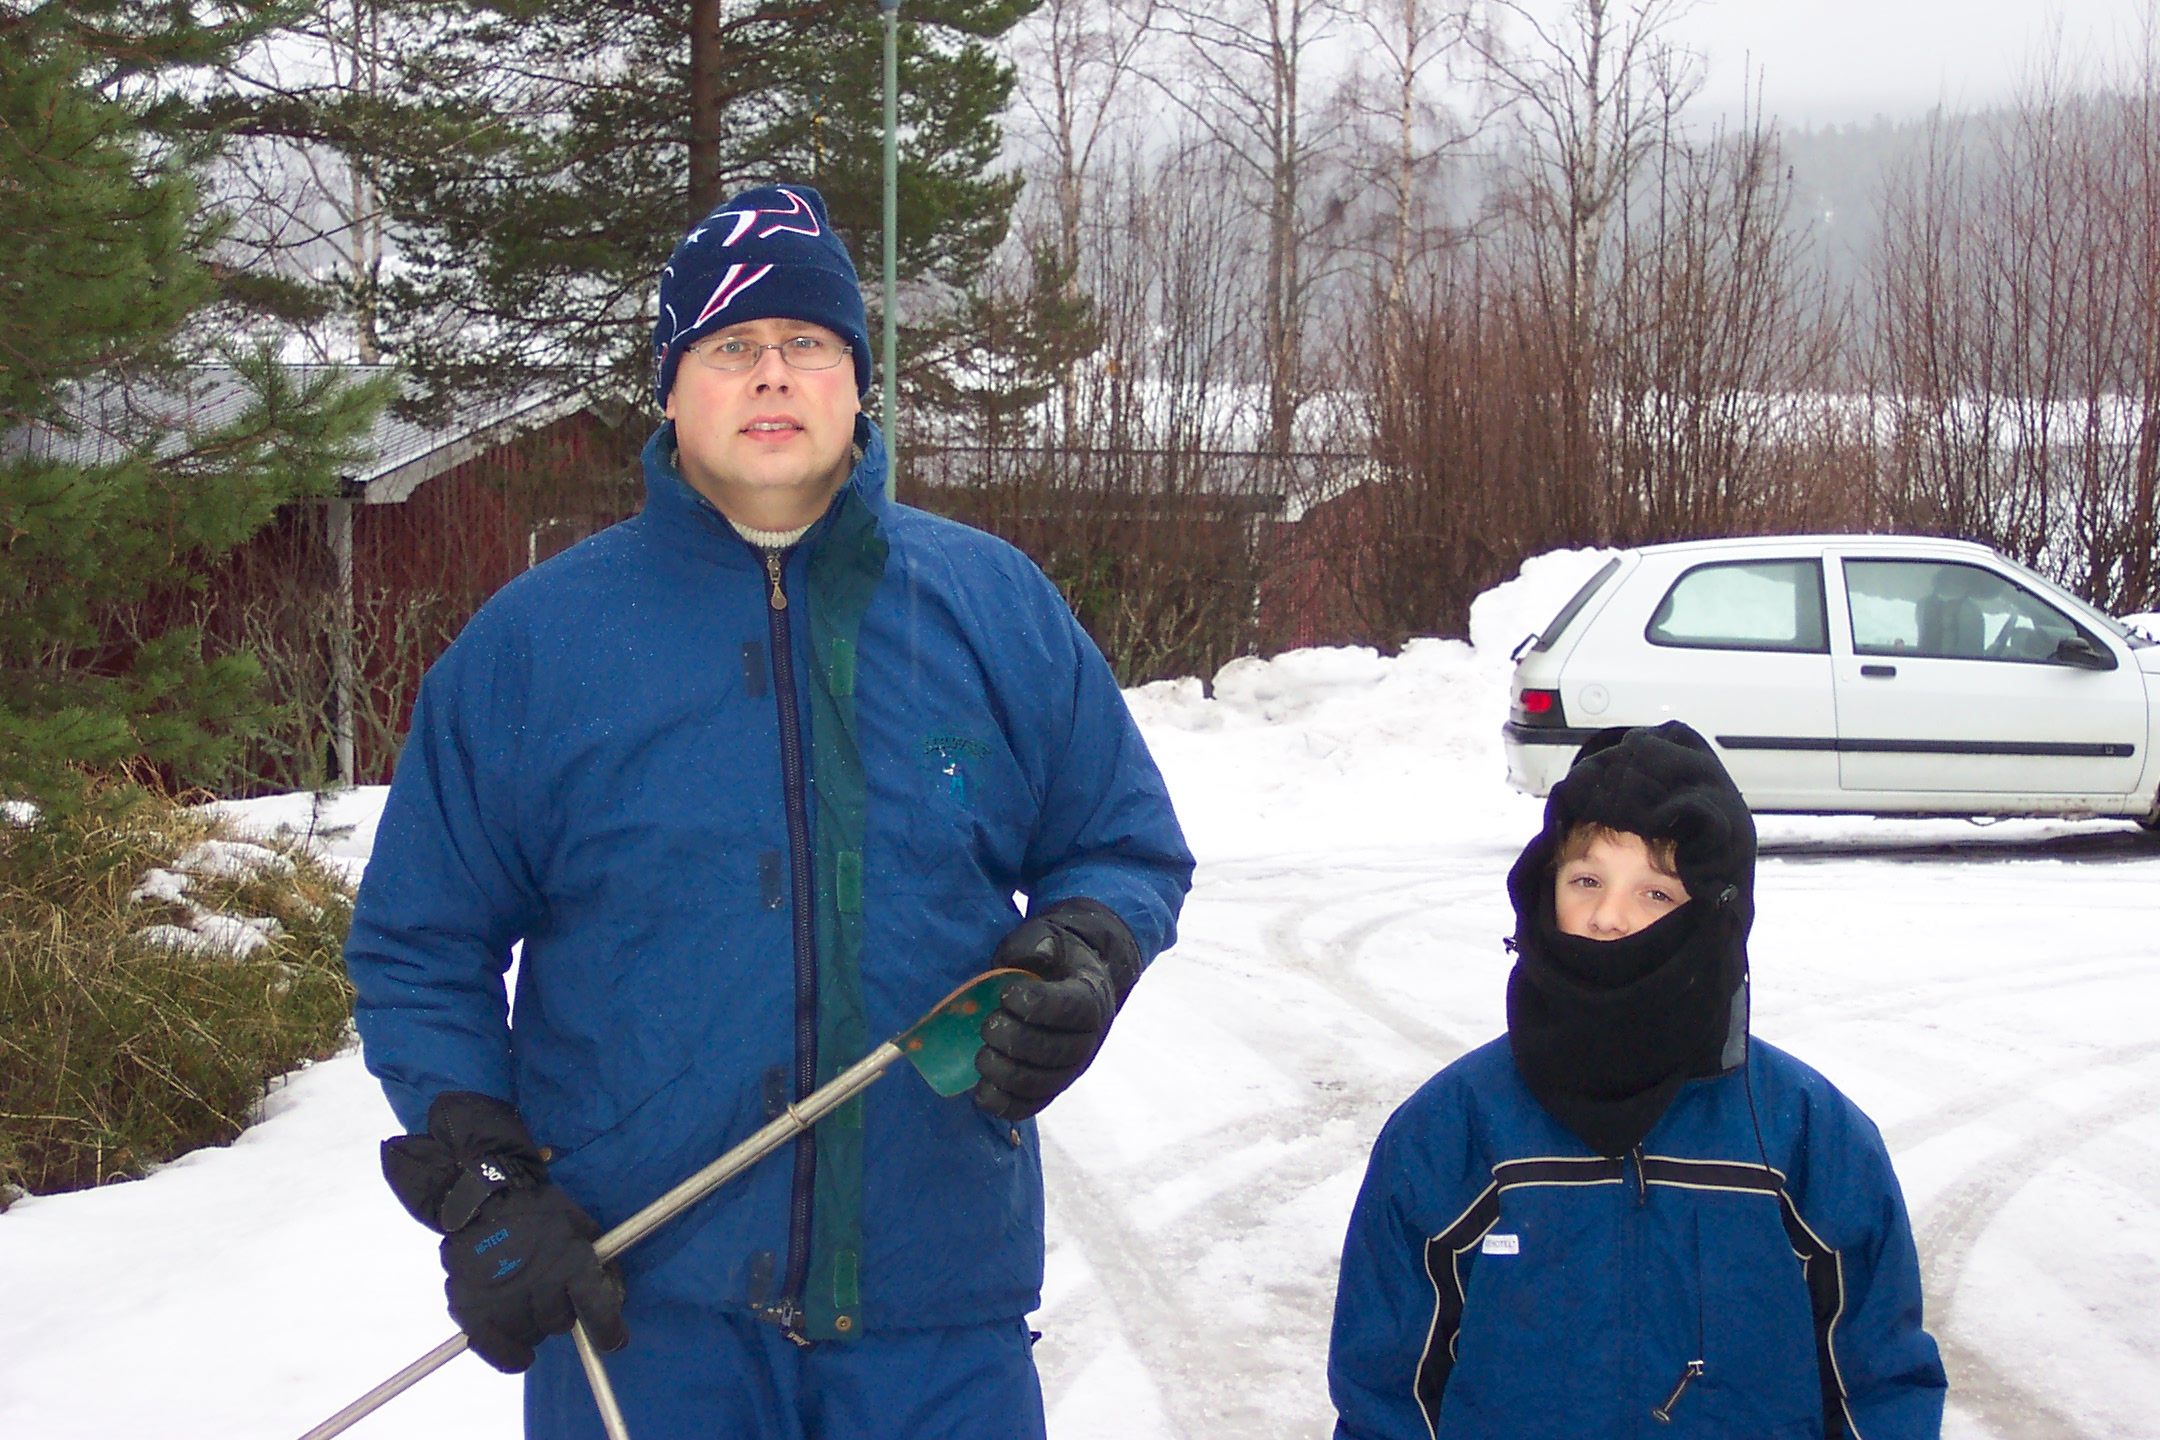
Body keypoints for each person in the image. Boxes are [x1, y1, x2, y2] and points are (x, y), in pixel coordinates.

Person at [345, 181, 1193, 1440]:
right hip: (640, 1322)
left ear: (858, 384)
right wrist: (484, 1175)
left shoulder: (992, 605)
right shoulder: (536, 645)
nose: (772, 375)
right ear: (672, 392)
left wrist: (1091, 952)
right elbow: (420, 942)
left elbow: (1121, 843)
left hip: (937, 1321)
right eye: (730, 347)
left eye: (807, 344)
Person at [1327, 722, 1945, 1440]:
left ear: (1718, 914)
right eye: (1585, 880)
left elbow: (1881, 1385)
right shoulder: (1452, 1129)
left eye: (1655, 893)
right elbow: (1384, 1396)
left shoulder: (1807, 1135)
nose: (1609, 917)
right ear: (1542, 889)